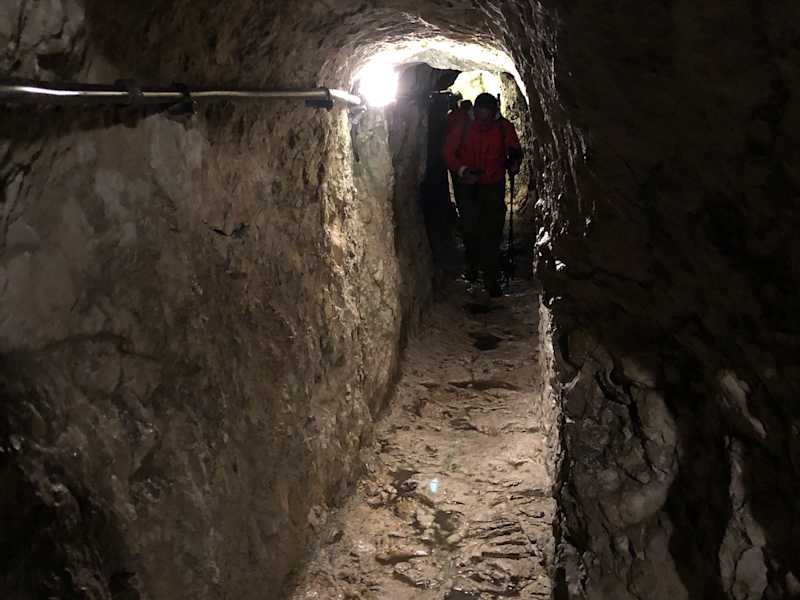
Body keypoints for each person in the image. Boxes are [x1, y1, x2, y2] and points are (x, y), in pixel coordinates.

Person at [443, 92, 522, 297]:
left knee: (492, 230)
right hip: (468, 185)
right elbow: (448, 152)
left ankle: (490, 277)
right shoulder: (464, 126)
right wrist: (462, 170)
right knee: (470, 227)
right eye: (481, 116)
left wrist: (514, 161)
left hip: (493, 184)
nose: (484, 122)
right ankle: (472, 263)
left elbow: (514, 148)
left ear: (494, 113)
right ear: (475, 112)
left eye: (488, 117)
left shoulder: (504, 128)